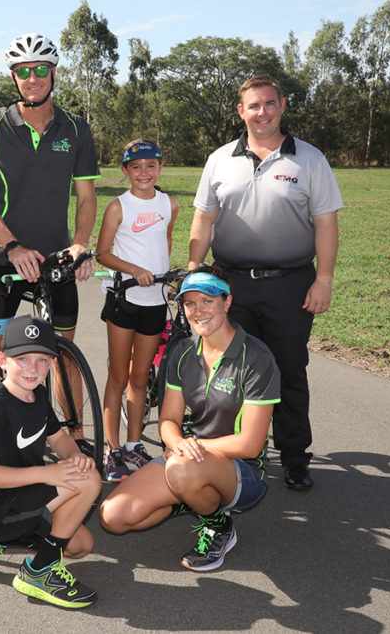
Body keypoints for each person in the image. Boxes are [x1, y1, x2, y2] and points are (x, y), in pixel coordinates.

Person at [188, 75, 343, 491]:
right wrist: (193, 267)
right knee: (230, 373)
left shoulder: (309, 159)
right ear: (241, 112)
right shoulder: (220, 159)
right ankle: (240, 458)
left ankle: (294, 458)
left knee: (288, 369)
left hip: (290, 284)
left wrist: (323, 279)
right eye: (253, 106)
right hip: (230, 284)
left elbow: (326, 223)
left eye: (269, 104)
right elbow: (203, 219)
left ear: (283, 106)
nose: (262, 112)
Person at [99, 272, 280, 572]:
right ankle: (193, 496)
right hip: (187, 459)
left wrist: (189, 448)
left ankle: (218, 526)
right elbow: (168, 419)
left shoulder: (257, 358)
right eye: (190, 304)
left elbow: (250, 444)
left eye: (208, 301)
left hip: (242, 471)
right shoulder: (183, 352)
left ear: (227, 302)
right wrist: (178, 442)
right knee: (113, 517)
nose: (198, 311)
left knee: (182, 470)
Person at [0, 33, 99, 424]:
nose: (33, 78)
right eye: (24, 71)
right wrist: (13, 247)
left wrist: (78, 245)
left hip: (57, 258)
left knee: (62, 359)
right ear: (13, 77)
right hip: (5, 259)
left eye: (41, 69)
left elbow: (86, 197)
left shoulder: (76, 128)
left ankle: (73, 441)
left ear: (53, 72)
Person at [0, 315, 101, 609]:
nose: (32, 368)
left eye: (42, 360)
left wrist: (78, 459)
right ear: (2, 360)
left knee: (80, 546)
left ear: (51, 363)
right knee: (89, 483)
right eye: (22, 359)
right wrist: (48, 473)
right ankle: (38, 572)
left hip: (24, 495)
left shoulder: (36, 395)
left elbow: (59, 439)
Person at [95, 139, 179, 482]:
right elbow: (102, 253)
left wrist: (164, 276)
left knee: (141, 378)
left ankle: (134, 445)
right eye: (136, 167)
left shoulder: (170, 204)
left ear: (160, 168)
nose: (144, 173)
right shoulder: (118, 206)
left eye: (150, 166)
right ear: (126, 171)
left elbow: (166, 242)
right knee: (118, 375)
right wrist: (133, 270)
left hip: (156, 301)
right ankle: (112, 450)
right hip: (124, 299)